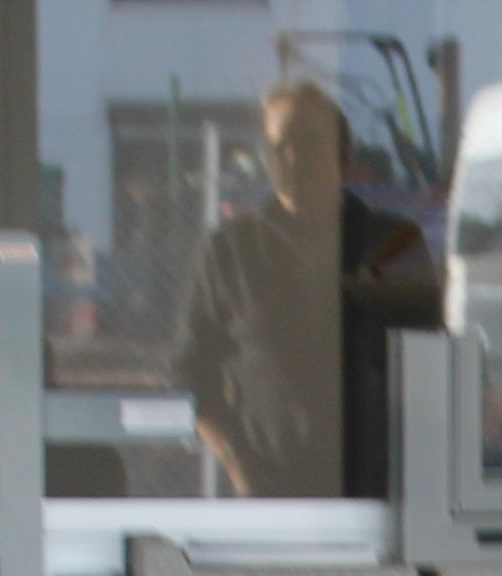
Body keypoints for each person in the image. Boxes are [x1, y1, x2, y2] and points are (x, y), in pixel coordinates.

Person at [173, 82, 442, 501]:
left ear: (343, 154)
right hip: (269, 503)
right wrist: (237, 465)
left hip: (376, 502)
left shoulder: (391, 248)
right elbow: (191, 379)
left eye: (310, 142)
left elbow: (433, 371)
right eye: (280, 145)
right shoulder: (230, 252)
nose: (294, 158)